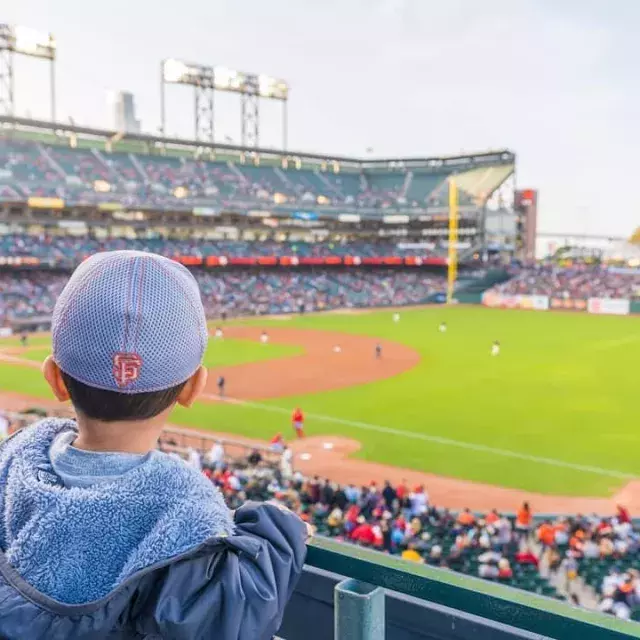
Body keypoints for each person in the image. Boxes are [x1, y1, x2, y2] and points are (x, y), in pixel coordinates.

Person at [0, 251, 309, 640]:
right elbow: (235, 619)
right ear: (193, 388)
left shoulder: (11, 466)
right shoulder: (187, 510)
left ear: (55, 379)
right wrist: (278, 529)